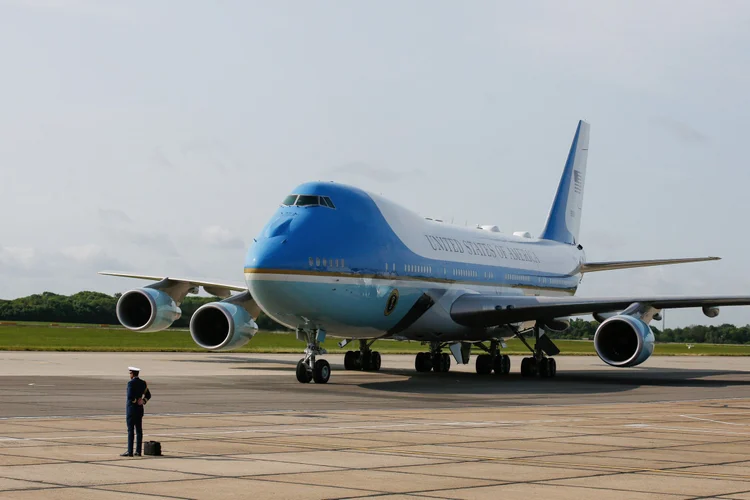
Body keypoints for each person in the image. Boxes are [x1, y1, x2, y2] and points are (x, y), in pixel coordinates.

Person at [121, 366, 151, 457]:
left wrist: (135, 401)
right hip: (140, 409)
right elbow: (148, 395)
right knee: (139, 430)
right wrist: (143, 401)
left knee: (130, 431)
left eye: (130, 373)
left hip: (131, 410)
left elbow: (130, 397)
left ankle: (130, 451)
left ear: (132, 374)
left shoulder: (131, 383)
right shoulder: (143, 383)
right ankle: (138, 451)